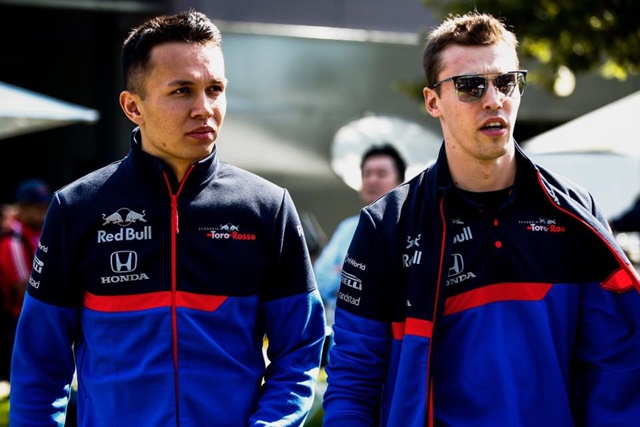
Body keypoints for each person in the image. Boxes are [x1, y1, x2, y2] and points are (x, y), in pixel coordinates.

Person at [322, 11, 640, 426]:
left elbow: (615, 368)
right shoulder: (387, 225)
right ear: (433, 101)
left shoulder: (574, 213)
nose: (493, 99)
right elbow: (353, 380)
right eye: (471, 86)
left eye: (506, 82)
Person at [9, 9, 325, 427]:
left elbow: (299, 351)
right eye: (182, 91)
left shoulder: (267, 207)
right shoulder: (77, 208)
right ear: (132, 107)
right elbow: (39, 367)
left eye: (215, 89)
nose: (204, 108)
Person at [313, 144, 406, 363]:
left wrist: (348, 273)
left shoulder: (411, 228)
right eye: (367, 174)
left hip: (396, 345)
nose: (372, 180)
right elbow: (319, 280)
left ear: (401, 181)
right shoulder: (348, 228)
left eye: (381, 173)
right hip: (347, 344)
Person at [0, 178, 51, 384]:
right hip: (21, 318)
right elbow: (24, 287)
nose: (42, 213)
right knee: (26, 378)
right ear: (22, 208)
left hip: (35, 315)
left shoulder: (36, 232)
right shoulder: (14, 239)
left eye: (44, 207)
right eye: (37, 208)